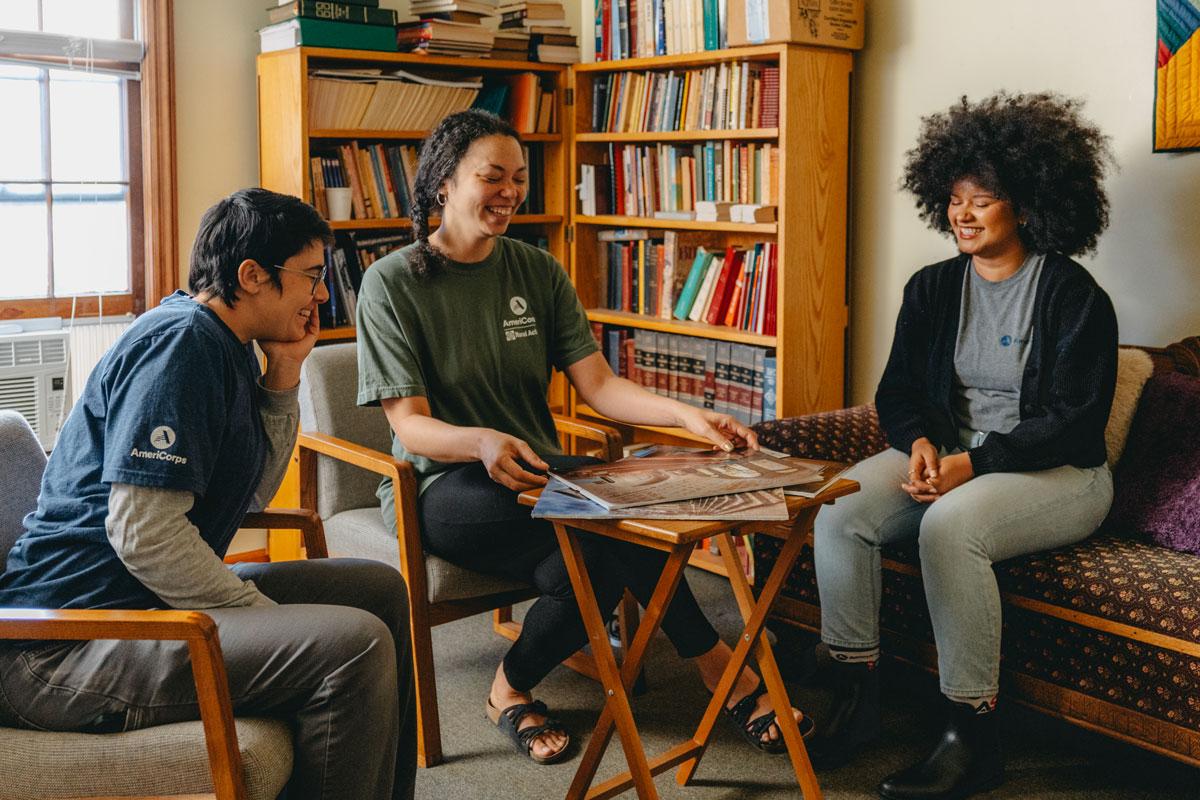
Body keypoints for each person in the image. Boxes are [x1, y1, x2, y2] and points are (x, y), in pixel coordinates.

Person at [355, 109, 807, 765]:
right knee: (611, 522)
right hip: (444, 486)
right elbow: (409, 424)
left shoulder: (537, 271)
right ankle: (721, 669)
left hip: (541, 475)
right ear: (443, 184)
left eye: (518, 178)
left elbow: (597, 384)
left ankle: (508, 690)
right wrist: (483, 442)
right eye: (492, 177)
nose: (510, 191)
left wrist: (686, 416)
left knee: (597, 560)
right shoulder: (391, 282)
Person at [0, 188, 417, 800]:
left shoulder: (226, 346)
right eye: (311, 276)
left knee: (377, 589)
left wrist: (284, 376)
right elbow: (145, 533)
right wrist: (266, 620)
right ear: (252, 276)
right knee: (350, 647)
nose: (322, 295)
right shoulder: (180, 346)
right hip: (62, 649)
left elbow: (249, 496)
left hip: (141, 611)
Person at [806, 92, 1118, 800]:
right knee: (841, 510)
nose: (963, 213)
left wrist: (969, 466)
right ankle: (856, 699)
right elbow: (898, 393)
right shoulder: (931, 289)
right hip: (951, 454)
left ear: (1029, 206)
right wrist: (917, 444)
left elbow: (1073, 421)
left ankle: (971, 737)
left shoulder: (1075, 296)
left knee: (949, 528)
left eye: (985, 199)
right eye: (954, 198)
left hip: (1059, 472)